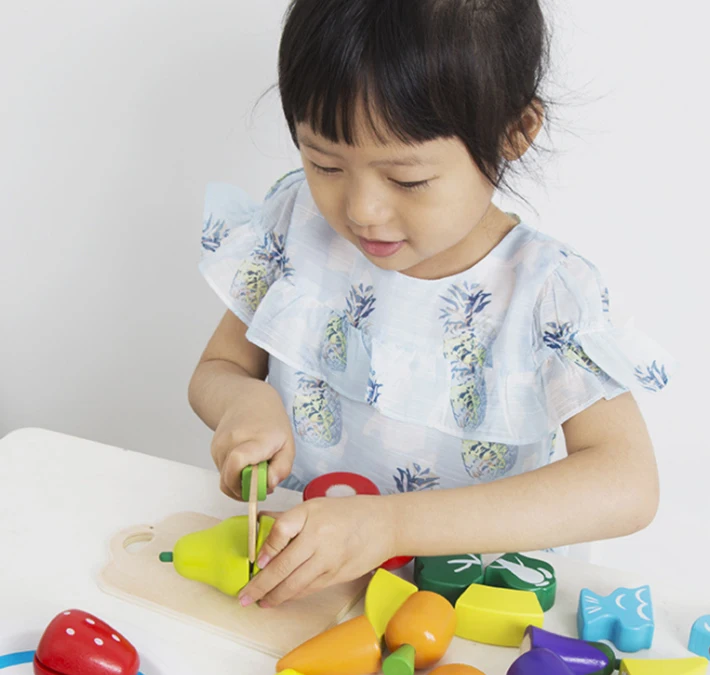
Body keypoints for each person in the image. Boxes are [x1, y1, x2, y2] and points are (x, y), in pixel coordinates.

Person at [188, 0, 674, 609]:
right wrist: (243, 401)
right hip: (310, 588)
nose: (361, 210)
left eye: (407, 179)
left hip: (469, 606)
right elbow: (218, 369)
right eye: (325, 164)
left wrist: (390, 526)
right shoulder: (297, 224)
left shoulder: (545, 293)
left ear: (515, 132)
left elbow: (627, 484)